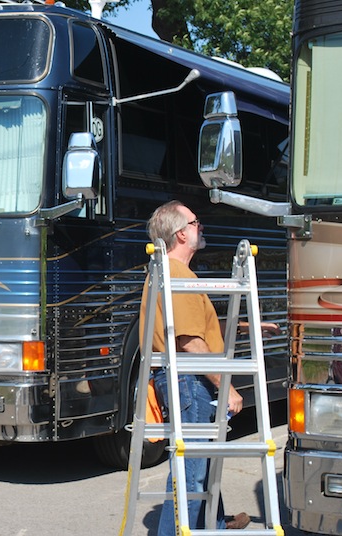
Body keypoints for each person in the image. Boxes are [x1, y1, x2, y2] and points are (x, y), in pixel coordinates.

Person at [140, 201, 250, 533]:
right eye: (195, 222)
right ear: (181, 233)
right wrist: (225, 386)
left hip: (184, 379)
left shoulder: (167, 271)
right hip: (189, 380)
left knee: (199, 469)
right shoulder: (177, 273)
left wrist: (243, 325)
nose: (200, 227)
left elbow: (192, 327)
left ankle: (215, 524)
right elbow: (189, 341)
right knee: (191, 476)